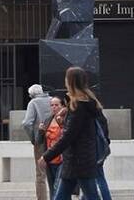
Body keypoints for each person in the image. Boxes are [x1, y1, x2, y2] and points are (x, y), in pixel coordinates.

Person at [38, 66, 105, 200]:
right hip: (78, 160)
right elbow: (76, 131)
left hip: (78, 161)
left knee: (89, 195)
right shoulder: (83, 103)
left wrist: (46, 156)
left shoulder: (79, 107)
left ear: (70, 82)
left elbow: (68, 137)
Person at [22, 84, 52, 200]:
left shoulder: (33, 103)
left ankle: (42, 198)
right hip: (54, 140)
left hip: (40, 141)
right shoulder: (52, 100)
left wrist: (33, 138)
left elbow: (26, 123)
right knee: (55, 170)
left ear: (31, 95)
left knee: (41, 173)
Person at [39, 96, 65, 199]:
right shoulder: (47, 120)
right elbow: (39, 141)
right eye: (52, 105)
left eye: (56, 105)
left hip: (62, 159)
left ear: (62, 106)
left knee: (59, 186)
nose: (54, 107)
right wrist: (40, 131)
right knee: (52, 187)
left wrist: (61, 124)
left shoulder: (66, 119)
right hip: (50, 159)